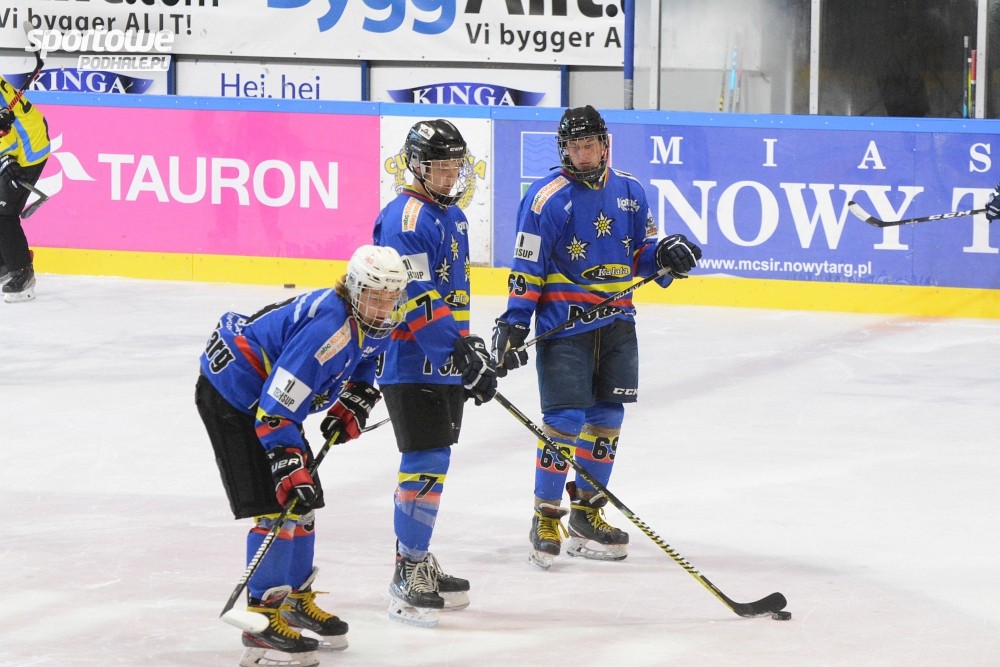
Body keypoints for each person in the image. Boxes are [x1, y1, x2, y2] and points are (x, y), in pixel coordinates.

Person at [491, 106, 702, 569]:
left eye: (589, 145)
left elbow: (641, 254)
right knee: (564, 421)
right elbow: (527, 265)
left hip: (618, 323)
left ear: (604, 145)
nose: (582, 154)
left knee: (607, 418)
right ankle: (546, 516)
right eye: (574, 146)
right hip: (565, 327)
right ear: (562, 149)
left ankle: (587, 513)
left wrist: (667, 256)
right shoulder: (544, 199)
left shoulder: (630, 191)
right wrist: (514, 322)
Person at [195, 245, 408, 667]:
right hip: (235, 395)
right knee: (278, 505)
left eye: (390, 298)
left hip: (266, 399)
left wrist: (357, 393)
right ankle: (262, 619)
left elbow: (367, 354)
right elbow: (275, 411)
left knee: (303, 506)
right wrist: (287, 461)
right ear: (354, 290)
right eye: (374, 296)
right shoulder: (328, 333)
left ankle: (291, 601)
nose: (383, 307)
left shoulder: (370, 321)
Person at [373, 118, 498, 628]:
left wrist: (467, 349)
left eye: (455, 166)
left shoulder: (454, 216)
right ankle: (408, 569)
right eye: (440, 167)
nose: (450, 176)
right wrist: (457, 350)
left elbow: (450, 296)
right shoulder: (405, 218)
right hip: (409, 360)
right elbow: (414, 294)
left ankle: (417, 556)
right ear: (416, 166)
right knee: (424, 459)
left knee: (436, 459)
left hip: (443, 361)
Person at [0, 74, 50, 302]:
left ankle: (22, 274)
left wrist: (6, 159)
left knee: (4, 214)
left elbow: (6, 132)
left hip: (26, 149)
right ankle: (4, 265)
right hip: (20, 138)